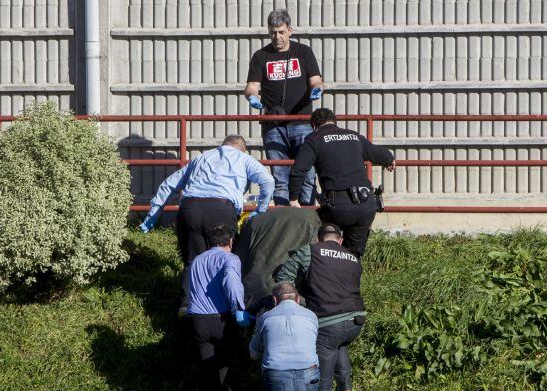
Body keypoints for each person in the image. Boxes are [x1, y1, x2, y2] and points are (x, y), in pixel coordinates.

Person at [139, 135, 274, 316]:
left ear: (222, 144)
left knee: (192, 261)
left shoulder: (201, 158)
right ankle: (225, 309)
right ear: (243, 149)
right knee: (224, 259)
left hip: (190, 208)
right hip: (221, 209)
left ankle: (186, 307)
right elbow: (268, 180)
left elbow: (168, 184)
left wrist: (152, 216)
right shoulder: (244, 158)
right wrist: (261, 208)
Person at [275, 223, 365, 391]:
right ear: (341, 239)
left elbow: (284, 278)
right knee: (340, 343)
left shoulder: (310, 251)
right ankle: (346, 390)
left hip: (328, 324)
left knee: (321, 388)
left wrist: (303, 302)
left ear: (318, 238)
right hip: (356, 321)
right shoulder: (353, 258)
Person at [288, 108, 395, 257]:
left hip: (338, 207)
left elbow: (298, 170)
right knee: (352, 256)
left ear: (314, 125)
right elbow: (380, 154)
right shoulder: (354, 136)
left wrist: (293, 199)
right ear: (335, 121)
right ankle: (349, 276)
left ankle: (320, 273)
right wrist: (390, 160)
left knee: (326, 249)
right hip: (366, 205)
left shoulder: (314, 139)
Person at [244, 8, 323, 207]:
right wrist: (252, 97)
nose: (277, 36)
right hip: (273, 126)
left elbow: (316, 80)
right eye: (272, 32)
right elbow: (252, 86)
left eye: (281, 31)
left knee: (306, 174)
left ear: (290, 30)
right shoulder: (260, 56)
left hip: (303, 123)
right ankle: (283, 221)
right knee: (280, 177)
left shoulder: (303, 52)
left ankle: (307, 220)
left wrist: (318, 89)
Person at [186, 224, 254, 391]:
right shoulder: (230, 259)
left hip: (198, 320)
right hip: (222, 319)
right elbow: (231, 281)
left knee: (206, 368)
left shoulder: (197, 260)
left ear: (210, 241)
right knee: (223, 363)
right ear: (231, 242)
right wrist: (239, 308)